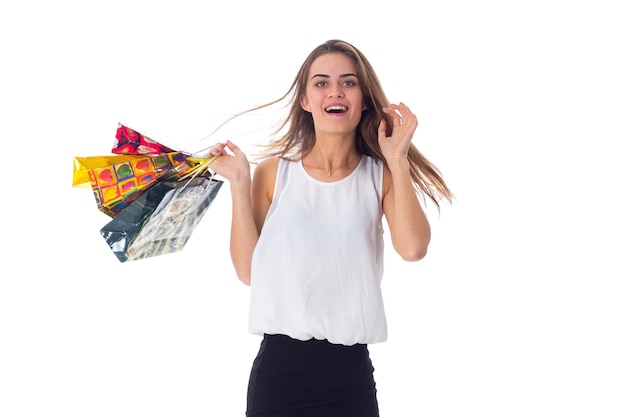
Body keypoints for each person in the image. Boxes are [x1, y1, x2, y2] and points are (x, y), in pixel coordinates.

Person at [207, 39, 453, 417]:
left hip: (349, 378)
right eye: (321, 83)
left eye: (348, 82)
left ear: (365, 98)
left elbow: (413, 248)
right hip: (279, 375)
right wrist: (240, 184)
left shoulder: (380, 176)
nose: (335, 91)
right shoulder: (275, 173)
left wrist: (398, 159)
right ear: (305, 100)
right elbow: (249, 273)